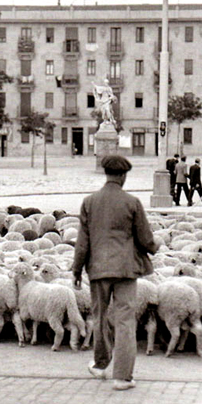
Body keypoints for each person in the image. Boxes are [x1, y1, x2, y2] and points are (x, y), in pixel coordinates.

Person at [72, 155, 159, 391]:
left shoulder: (89, 202)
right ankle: (122, 377)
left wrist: (77, 269)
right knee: (125, 321)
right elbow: (145, 238)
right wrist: (154, 246)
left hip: (98, 269)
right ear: (122, 176)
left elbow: (83, 242)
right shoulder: (132, 202)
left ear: (105, 174)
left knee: (100, 318)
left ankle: (100, 365)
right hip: (125, 270)